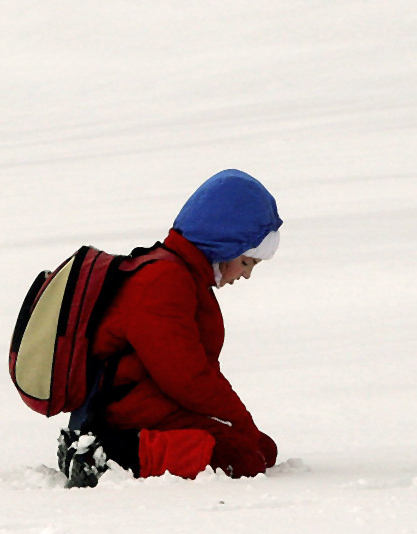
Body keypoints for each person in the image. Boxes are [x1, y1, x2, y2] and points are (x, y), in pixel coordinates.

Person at [57, 168, 283, 487]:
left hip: (148, 403)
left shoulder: (185, 277)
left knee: (259, 452)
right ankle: (108, 455)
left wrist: (244, 428)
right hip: (127, 412)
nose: (246, 275)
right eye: (247, 262)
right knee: (239, 457)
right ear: (224, 245)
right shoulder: (165, 281)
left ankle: (108, 449)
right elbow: (187, 378)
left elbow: (195, 375)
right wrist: (242, 425)